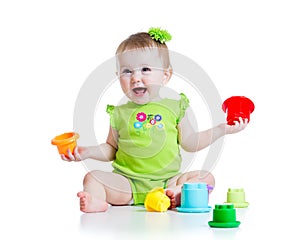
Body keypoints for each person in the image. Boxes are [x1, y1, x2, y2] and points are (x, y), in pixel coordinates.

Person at [61, 28, 248, 213]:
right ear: (118, 76)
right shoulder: (119, 112)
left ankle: (175, 193)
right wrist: (87, 152)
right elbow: (111, 149)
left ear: (165, 76)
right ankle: (98, 202)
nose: (135, 78)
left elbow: (191, 142)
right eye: (127, 71)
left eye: (145, 69)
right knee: (92, 178)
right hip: (127, 184)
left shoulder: (175, 107)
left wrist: (222, 129)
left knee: (206, 177)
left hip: (168, 181)